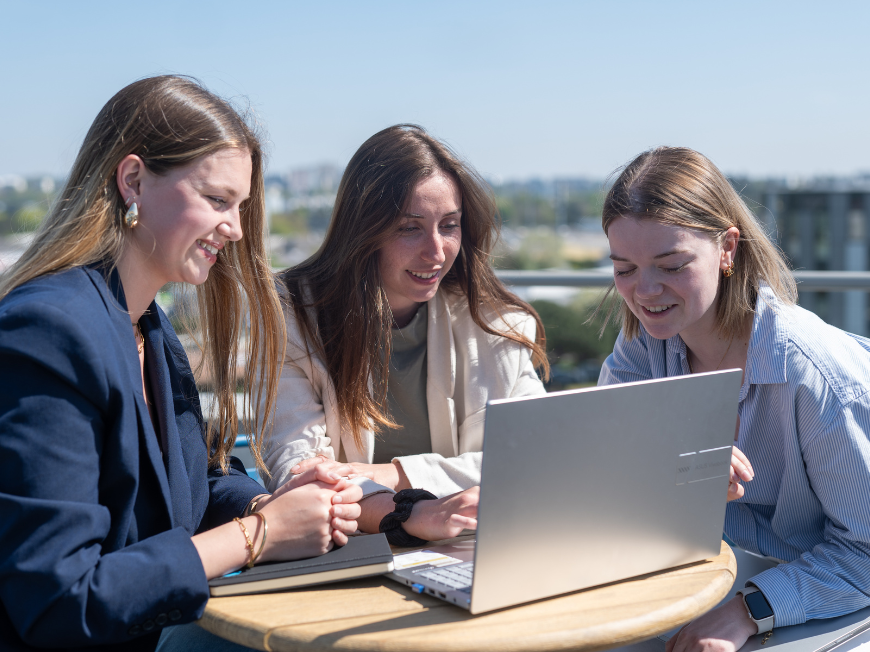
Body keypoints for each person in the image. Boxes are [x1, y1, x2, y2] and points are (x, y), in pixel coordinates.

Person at [0, 76, 363, 652]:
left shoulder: (149, 325)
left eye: (240, 206)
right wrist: (260, 534)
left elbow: (191, 482)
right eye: (218, 200)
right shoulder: (49, 332)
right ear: (133, 180)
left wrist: (271, 504)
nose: (236, 229)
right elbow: (60, 600)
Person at [596, 146, 870, 652]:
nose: (644, 291)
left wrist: (749, 610)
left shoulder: (816, 376)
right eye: (624, 269)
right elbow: (605, 475)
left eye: (670, 265)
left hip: (829, 593)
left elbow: (865, 554)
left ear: (727, 248)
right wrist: (671, 475)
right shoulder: (643, 345)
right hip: (717, 571)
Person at [262, 124, 549, 543]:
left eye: (449, 225)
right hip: (347, 552)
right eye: (409, 228)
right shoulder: (293, 314)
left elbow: (538, 456)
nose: (436, 252)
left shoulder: (493, 321)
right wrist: (412, 513)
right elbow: (297, 474)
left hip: (467, 545)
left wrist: (393, 474)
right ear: (363, 230)